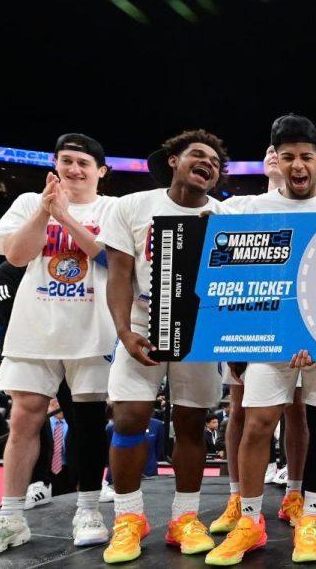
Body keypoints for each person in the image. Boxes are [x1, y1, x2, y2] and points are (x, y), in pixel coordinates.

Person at [204, 115, 316, 565]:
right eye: (288, 156)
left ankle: (310, 518)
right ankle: (250, 522)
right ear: (276, 160)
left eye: (306, 156)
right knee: (257, 424)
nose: (298, 164)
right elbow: (202, 231)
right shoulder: (248, 209)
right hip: (269, 338)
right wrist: (229, 339)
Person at [98, 130, 229, 564]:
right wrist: (123, 331)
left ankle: (184, 518)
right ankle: (128, 519)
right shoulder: (132, 205)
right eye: (197, 154)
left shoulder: (223, 215)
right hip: (140, 320)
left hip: (198, 325)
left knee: (192, 423)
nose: (207, 162)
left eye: (214, 160)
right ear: (173, 160)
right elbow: (118, 273)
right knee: (130, 416)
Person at [0, 134, 118, 554]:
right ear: (56, 164)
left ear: (101, 170)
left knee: (86, 422)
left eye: (84, 162)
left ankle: (89, 511)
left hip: (92, 328)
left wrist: (65, 219)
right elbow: (14, 255)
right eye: (66, 161)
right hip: (34, 327)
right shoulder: (30, 201)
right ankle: (10, 517)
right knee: (24, 418)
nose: (74, 169)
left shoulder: (113, 208)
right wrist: (44, 212)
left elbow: (108, 258)